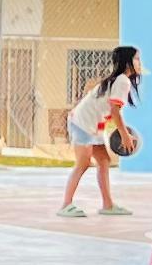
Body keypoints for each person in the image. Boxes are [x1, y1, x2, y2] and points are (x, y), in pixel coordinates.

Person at [60, 42, 142, 217]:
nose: (139, 62)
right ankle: (66, 205)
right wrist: (125, 135)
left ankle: (108, 205)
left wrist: (120, 132)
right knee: (83, 163)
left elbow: (110, 111)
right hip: (82, 123)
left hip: (93, 125)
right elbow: (114, 111)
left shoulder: (120, 81)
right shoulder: (122, 81)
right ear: (127, 62)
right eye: (136, 59)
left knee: (103, 161)